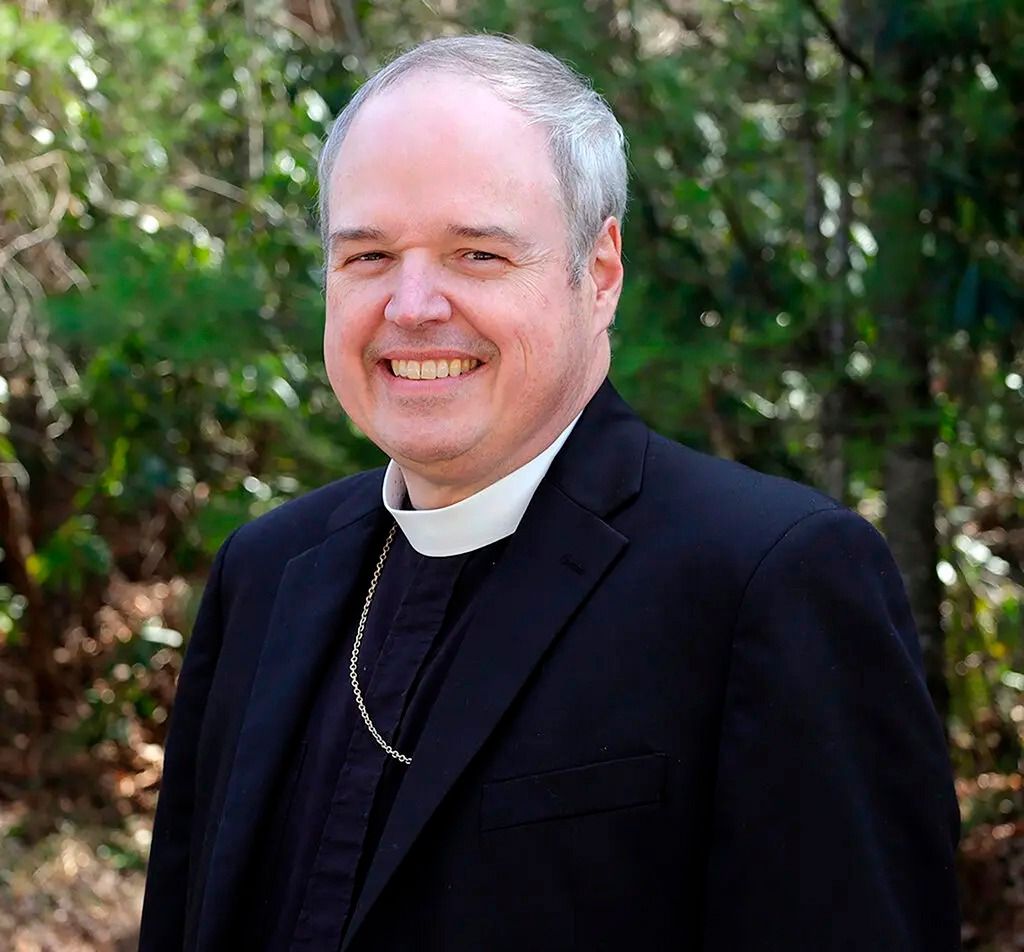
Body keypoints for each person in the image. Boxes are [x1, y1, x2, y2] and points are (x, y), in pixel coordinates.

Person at [138, 34, 961, 952]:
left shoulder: (768, 583)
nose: (410, 307)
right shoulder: (266, 573)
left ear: (598, 271)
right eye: (368, 256)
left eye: (477, 255)